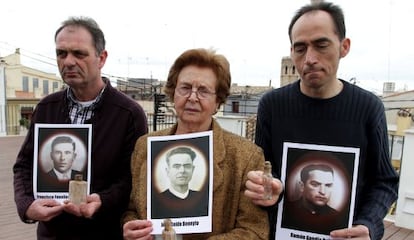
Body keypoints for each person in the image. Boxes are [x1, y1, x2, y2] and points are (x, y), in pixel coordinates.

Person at [244, 2, 399, 240]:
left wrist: (368, 226)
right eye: (300, 48)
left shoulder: (369, 108)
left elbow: (384, 181)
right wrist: (268, 187)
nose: (310, 58)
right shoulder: (272, 106)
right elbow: (266, 168)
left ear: (344, 47)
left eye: (321, 45)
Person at [13, 16, 148, 239]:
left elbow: (133, 178)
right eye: (61, 53)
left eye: (79, 53)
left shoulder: (129, 114)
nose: (68, 61)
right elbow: (24, 166)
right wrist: (26, 205)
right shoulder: (46, 108)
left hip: (105, 233)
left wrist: (102, 201)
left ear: (101, 58)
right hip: (52, 233)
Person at [122, 48, 269, 239]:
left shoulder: (246, 157)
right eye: (185, 88)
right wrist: (131, 228)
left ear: (218, 102)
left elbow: (254, 231)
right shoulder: (145, 146)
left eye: (203, 90)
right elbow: (132, 208)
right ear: (173, 93)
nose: (192, 97)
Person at [282, 163, 347, 234]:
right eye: (315, 184)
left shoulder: (338, 218)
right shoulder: (285, 211)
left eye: (328, 185)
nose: (322, 191)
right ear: (302, 186)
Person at [152, 146, 208, 219]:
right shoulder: (156, 201)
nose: (182, 170)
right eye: (176, 166)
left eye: (187, 166)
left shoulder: (203, 198)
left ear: (193, 169)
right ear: (168, 171)